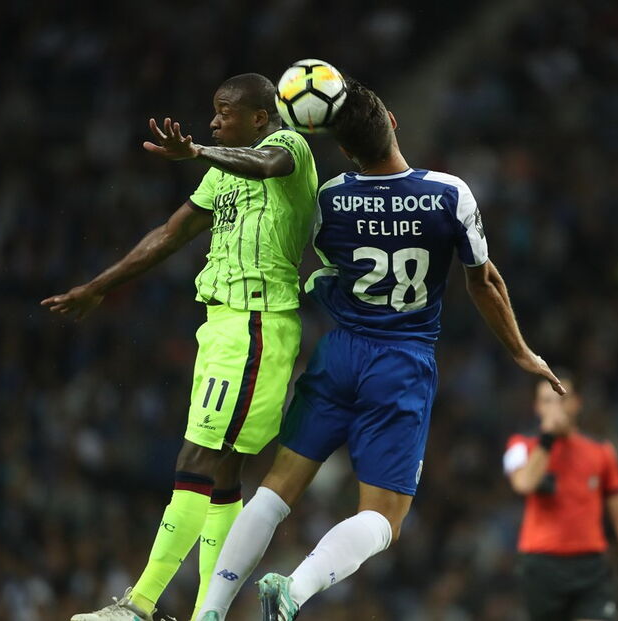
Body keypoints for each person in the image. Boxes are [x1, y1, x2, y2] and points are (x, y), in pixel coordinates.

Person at [194, 79, 564, 621]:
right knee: (385, 517)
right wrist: (521, 352)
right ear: (392, 120)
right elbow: (483, 282)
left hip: (338, 352)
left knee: (275, 490)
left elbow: (322, 263)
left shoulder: (331, 198)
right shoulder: (448, 193)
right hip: (401, 363)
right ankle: (293, 590)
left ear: (344, 150)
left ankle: (211, 609)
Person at [41, 73, 318, 621]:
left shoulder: (289, 146)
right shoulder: (221, 171)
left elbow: (265, 165)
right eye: (212, 113)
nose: (213, 119)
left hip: (256, 324)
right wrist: (100, 285)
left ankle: (138, 605)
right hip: (222, 326)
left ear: (260, 117)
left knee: (198, 456)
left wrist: (195, 151)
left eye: (224, 111)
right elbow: (172, 232)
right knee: (222, 472)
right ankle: (204, 614)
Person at [504, 372, 618, 620]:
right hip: (541, 566)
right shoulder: (520, 445)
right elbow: (524, 483)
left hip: (590, 566)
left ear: (576, 403)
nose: (555, 409)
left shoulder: (601, 452)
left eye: (561, 399)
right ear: (537, 407)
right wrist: (547, 439)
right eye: (547, 401)